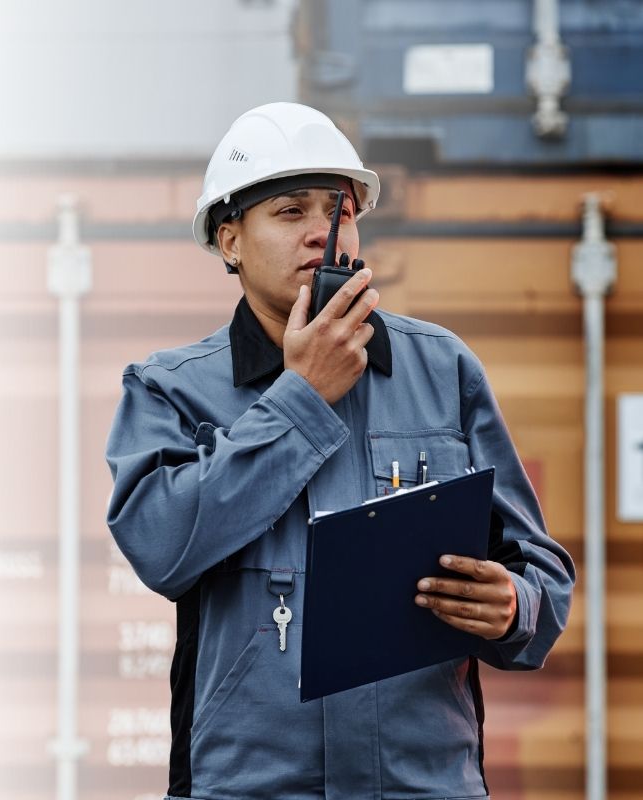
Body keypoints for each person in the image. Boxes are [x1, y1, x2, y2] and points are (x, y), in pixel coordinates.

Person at [103, 102, 575, 799]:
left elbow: (541, 573)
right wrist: (301, 397)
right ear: (230, 241)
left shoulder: (441, 370)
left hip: (423, 785)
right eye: (290, 211)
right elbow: (161, 547)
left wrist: (515, 607)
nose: (321, 233)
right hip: (252, 787)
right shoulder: (170, 390)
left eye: (339, 211)